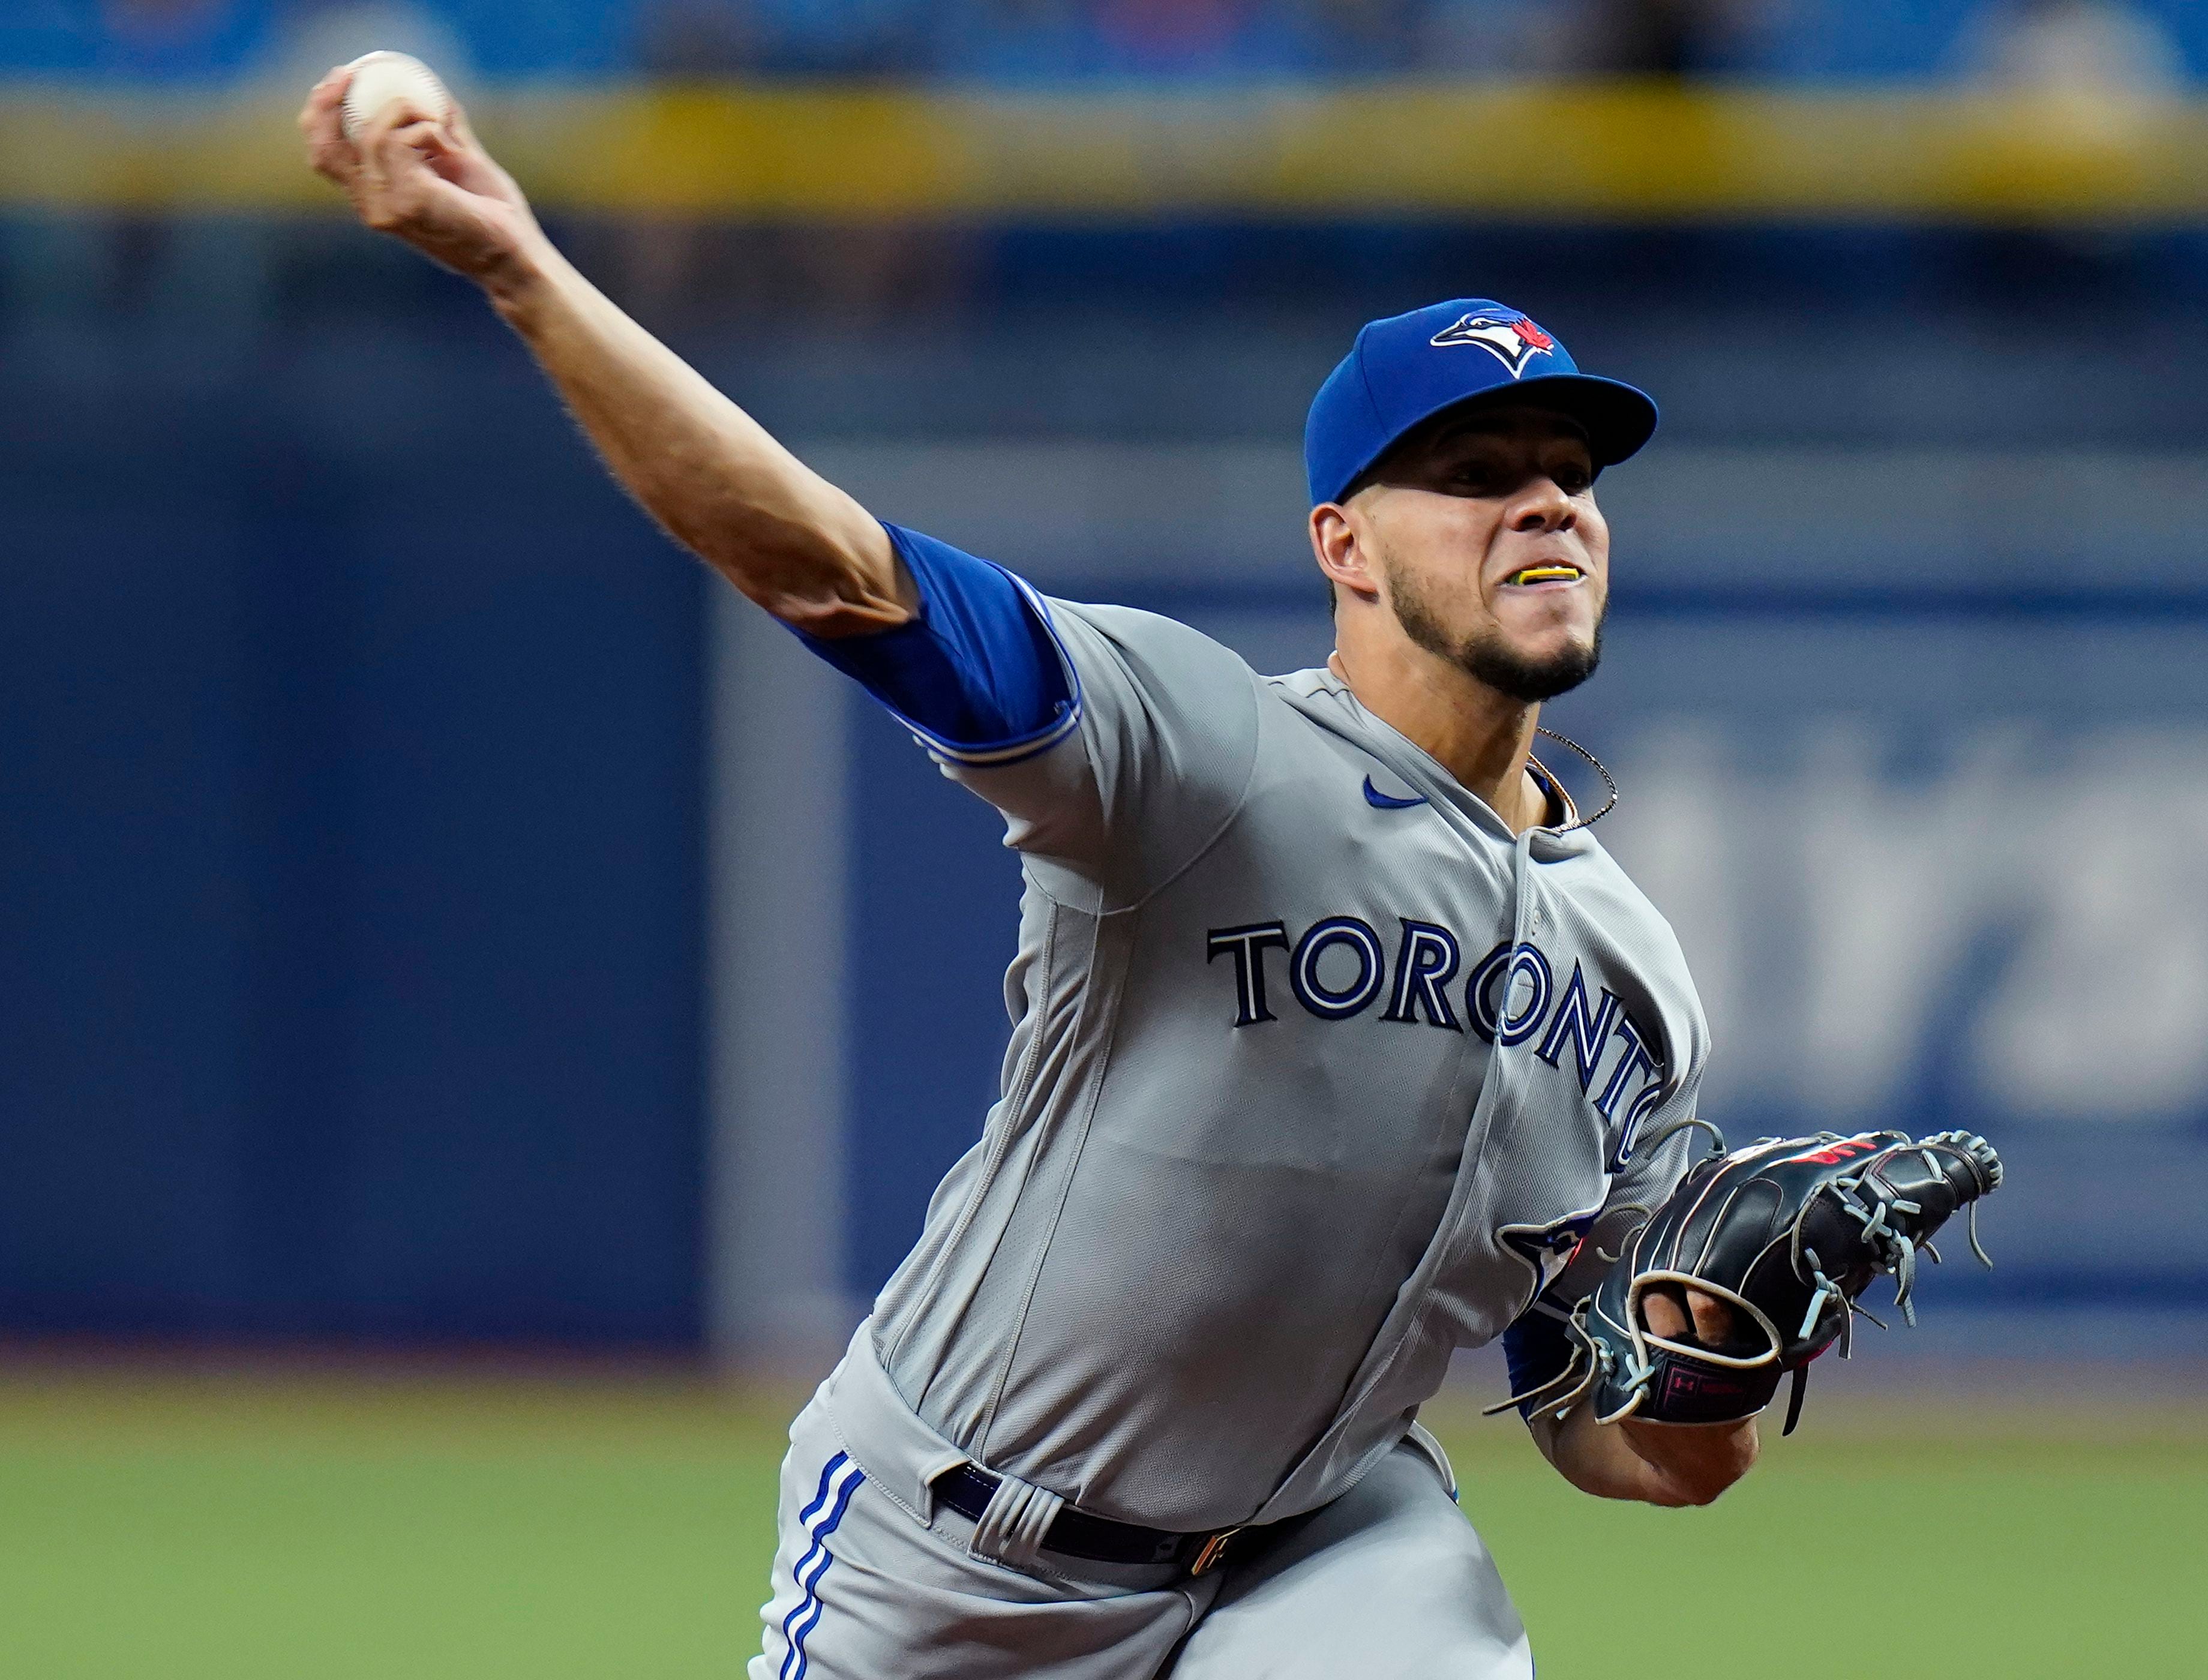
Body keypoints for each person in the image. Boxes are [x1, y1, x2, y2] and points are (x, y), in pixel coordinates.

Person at [299, 67, 1755, 1679]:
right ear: (1344, 545)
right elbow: (832, 570)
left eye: (1570, 469)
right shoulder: (1202, 749)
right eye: (1476, 473)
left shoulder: (1636, 975)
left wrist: (1720, 1363)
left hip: (1330, 1553)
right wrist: (524, 267)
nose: (1545, 498)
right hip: (961, 1547)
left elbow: (1629, 1443)